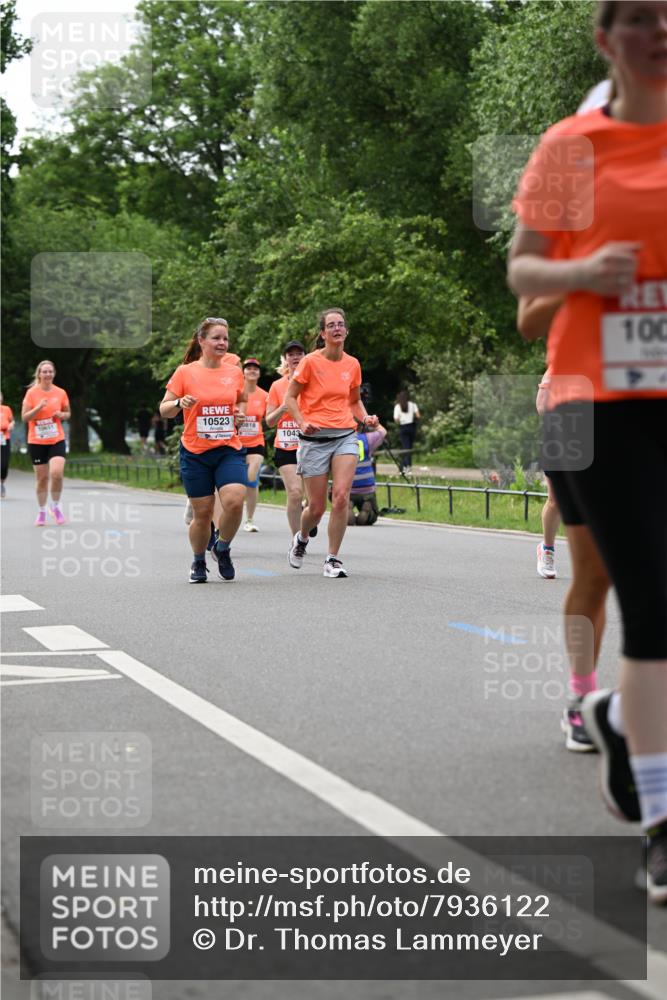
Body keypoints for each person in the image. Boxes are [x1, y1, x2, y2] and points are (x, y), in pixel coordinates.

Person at [509, 0, 667, 900]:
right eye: (637, 19)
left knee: (632, 575)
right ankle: (587, 699)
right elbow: (528, 305)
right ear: (606, 43)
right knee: (600, 573)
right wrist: (583, 274)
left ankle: (619, 711)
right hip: (578, 400)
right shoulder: (571, 149)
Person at [284, 308, 379, 578]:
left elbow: (353, 401)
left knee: (340, 498)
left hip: (344, 436)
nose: (337, 328)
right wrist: (302, 422)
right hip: (314, 439)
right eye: (331, 325)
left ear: (346, 331)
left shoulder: (353, 364)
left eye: (341, 325)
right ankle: (301, 539)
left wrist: (366, 417)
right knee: (316, 507)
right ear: (323, 333)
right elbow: (290, 399)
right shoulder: (310, 363)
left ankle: (332, 558)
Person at [160, 317, 247, 583]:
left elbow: (242, 400)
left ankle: (222, 547)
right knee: (203, 513)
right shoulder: (185, 372)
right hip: (195, 452)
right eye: (216, 338)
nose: (222, 343)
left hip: (227, 448)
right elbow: (164, 409)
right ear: (202, 341)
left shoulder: (233, 371)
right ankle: (198, 561)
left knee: (234, 501)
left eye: (225, 339)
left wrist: (239, 415)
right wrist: (178, 401)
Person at [266, 340, 311, 537]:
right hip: (285, 446)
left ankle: (308, 515)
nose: (295, 357)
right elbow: (268, 421)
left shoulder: (313, 383)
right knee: (294, 493)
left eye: (299, 353)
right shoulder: (277, 386)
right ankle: (297, 540)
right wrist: (284, 407)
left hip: (311, 445)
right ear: (285, 359)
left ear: (305, 357)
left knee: (313, 500)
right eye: (290, 354)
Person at [21, 361, 70, 526]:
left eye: (50, 371)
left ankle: (55, 507)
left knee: (57, 474)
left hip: (56, 438)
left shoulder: (61, 392)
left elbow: (68, 413)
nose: (48, 374)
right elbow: (24, 417)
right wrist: (38, 408)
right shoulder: (31, 393)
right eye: (45, 372)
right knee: (42, 478)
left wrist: (61, 415)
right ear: (39, 374)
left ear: (54, 373)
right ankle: (41, 511)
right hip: (36, 441)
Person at [238, 358, 269, 532]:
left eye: (255, 369)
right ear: (243, 372)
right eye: (248, 368)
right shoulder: (236, 393)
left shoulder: (264, 396)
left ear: (259, 373)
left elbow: (269, 418)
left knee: (250, 479)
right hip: (235, 443)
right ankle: (230, 512)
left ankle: (249, 520)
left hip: (256, 442)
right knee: (236, 482)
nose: (252, 371)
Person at [347, 422, 387, 525]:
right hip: (367, 486)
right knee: (371, 513)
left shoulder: (341, 441)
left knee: (336, 496)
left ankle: (347, 507)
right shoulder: (368, 439)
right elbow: (383, 432)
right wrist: (374, 422)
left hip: (348, 487)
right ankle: (367, 509)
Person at [393, 390, 420, 471]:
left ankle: (405, 466)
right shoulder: (413, 405)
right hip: (411, 427)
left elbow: (396, 419)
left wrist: (401, 420)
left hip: (403, 427)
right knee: (409, 447)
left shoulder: (398, 406)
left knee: (405, 447)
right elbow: (418, 416)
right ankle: (408, 464)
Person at [1, 392, 15, 499]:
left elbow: (12, 421)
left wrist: (11, 425)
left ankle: (2, 483)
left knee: (4, 465)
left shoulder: (6, 409)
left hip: (4, 439)